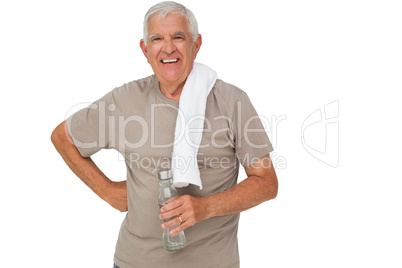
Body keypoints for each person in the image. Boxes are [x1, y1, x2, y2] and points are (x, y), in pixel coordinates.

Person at [51, 1, 278, 268]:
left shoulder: (232, 101)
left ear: (197, 44)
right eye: (157, 39)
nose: (168, 48)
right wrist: (109, 192)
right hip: (134, 262)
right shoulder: (124, 100)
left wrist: (206, 207)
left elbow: (266, 183)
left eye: (178, 37)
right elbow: (63, 137)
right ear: (145, 50)